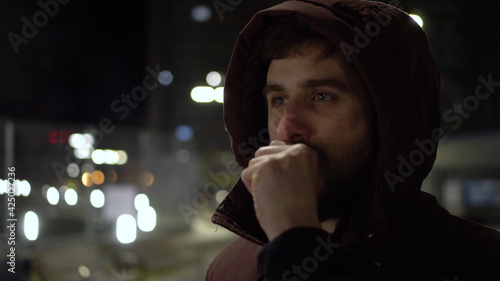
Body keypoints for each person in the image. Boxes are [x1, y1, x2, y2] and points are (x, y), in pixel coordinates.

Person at [206, 0, 500, 280]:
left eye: (322, 97)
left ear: (389, 120)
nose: (287, 128)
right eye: (279, 99)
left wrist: (294, 245)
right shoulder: (231, 268)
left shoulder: (479, 262)